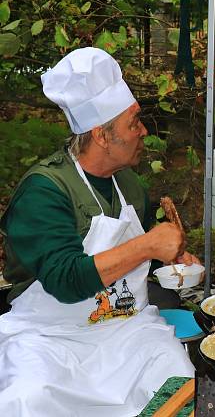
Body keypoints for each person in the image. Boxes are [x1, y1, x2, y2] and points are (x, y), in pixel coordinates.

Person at [0, 47, 198, 416]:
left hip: (128, 331)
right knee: (27, 397)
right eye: (133, 123)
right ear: (102, 136)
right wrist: (147, 245)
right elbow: (64, 280)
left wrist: (168, 261)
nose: (143, 132)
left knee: (178, 381)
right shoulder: (44, 191)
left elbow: (129, 263)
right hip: (50, 339)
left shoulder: (129, 185)